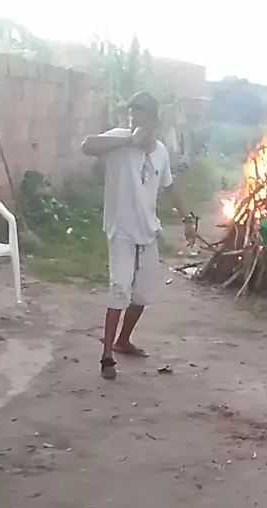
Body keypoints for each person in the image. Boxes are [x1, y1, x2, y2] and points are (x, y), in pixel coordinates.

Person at [81, 92, 196, 380]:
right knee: (119, 289)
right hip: (121, 230)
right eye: (132, 116)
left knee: (142, 294)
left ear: (154, 120)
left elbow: (169, 186)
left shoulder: (161, 152)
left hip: (148, 231)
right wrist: (129, 140)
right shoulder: (119, 139)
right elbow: (87, 145)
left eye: (141, 116)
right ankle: (107, 356)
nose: (135, 121)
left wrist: (187, 219)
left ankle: (123, 341)